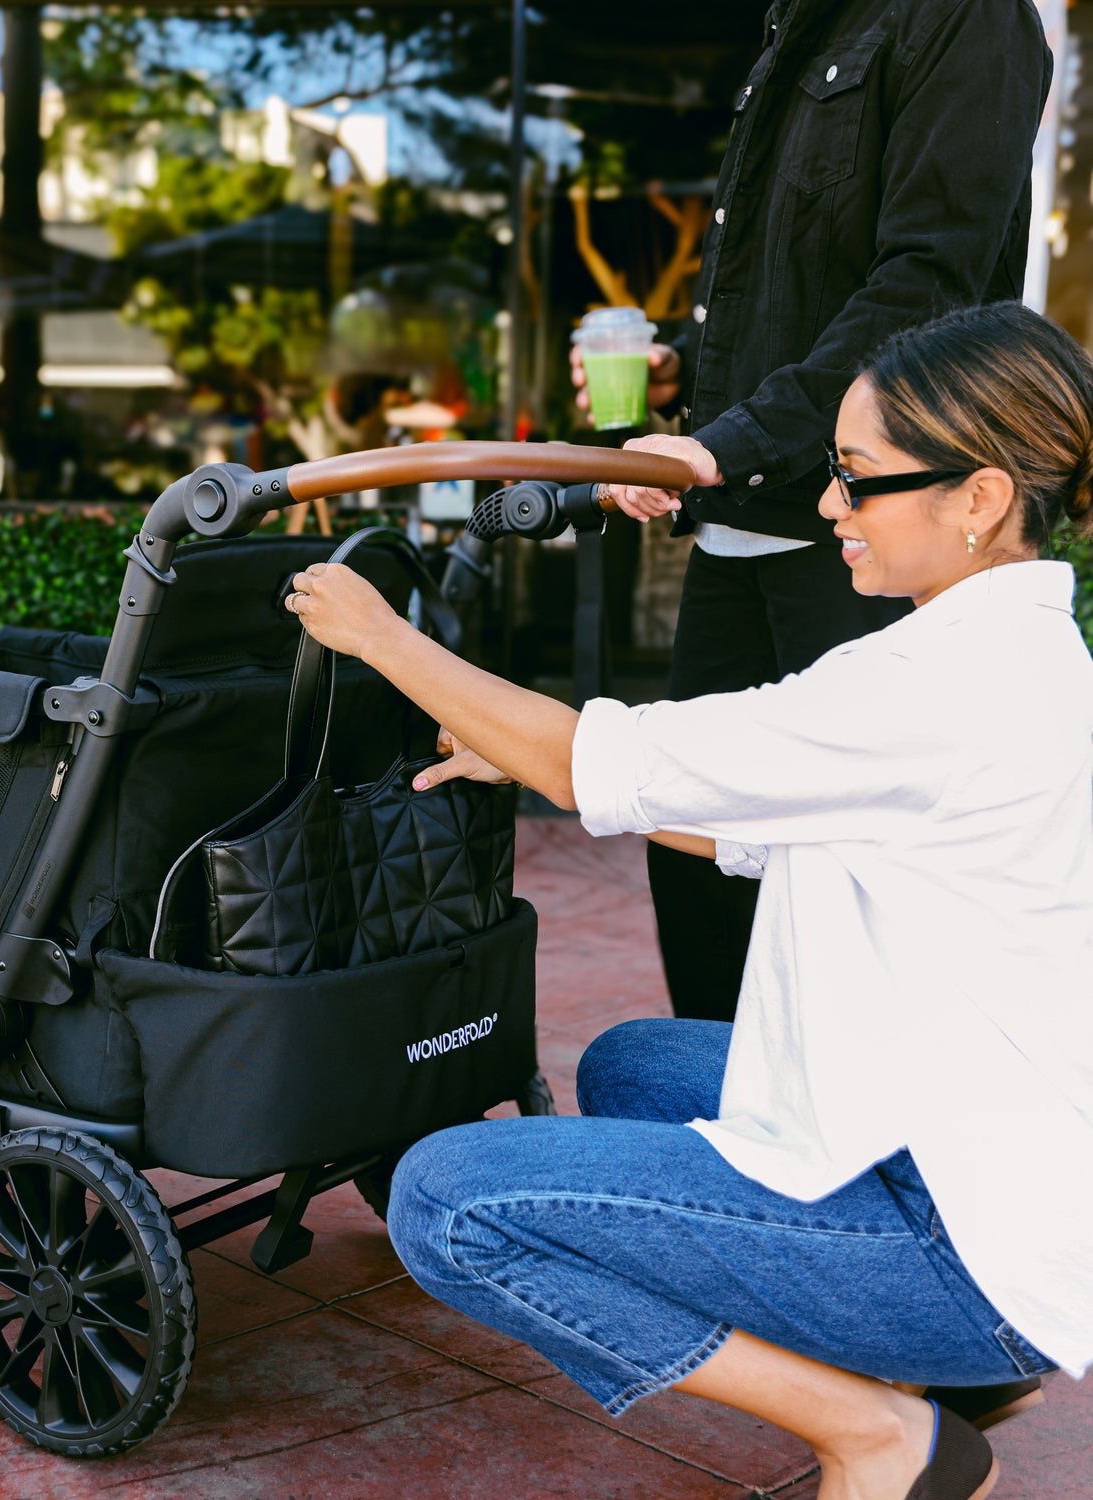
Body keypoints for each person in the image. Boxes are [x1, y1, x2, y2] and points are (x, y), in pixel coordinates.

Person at [285, 302, 1093, 1499]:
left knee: (448, 1203)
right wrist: (524, 755)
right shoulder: (1022, 654)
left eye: (858, 480)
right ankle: (968, 1386)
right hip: (977, 1159)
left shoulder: (933, 686)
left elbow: (592, 763)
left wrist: (382, 637)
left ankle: (882, 1435)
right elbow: (749, 821)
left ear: (978, 498)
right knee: (634, 1067)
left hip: (970, 1248)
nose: (828, 508)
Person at [574, 0, 1053, 1024]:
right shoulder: (798, 24)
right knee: (696, 870)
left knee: (841, 894)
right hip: (739, 530)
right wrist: (684, 377)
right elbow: (780, 290)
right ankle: (723, 1155)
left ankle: (864, 1168)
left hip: (868, 534)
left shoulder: (967, 19)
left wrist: (725, 442)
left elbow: (926, 288)